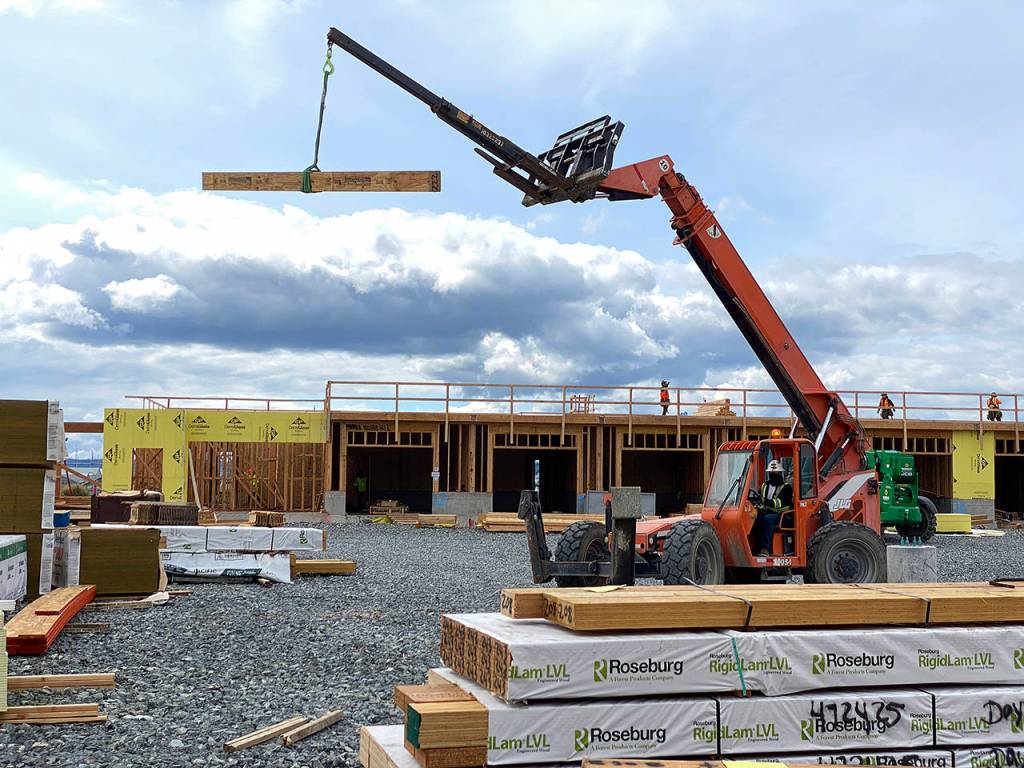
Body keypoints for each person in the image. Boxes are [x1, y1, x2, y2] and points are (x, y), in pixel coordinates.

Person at [752, 459, 793, 556]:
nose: (773, 474)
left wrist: (765, 502)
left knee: (767, 520)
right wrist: (756, 506)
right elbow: (760, 500)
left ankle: (765, 549)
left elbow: (779, 503)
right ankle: (755, 547)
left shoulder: (786, 487)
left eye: (776, 472)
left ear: (780, 473)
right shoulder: (764, 485)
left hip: (781, 515)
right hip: (767, 512)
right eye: (771, 472)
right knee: (755, 518)